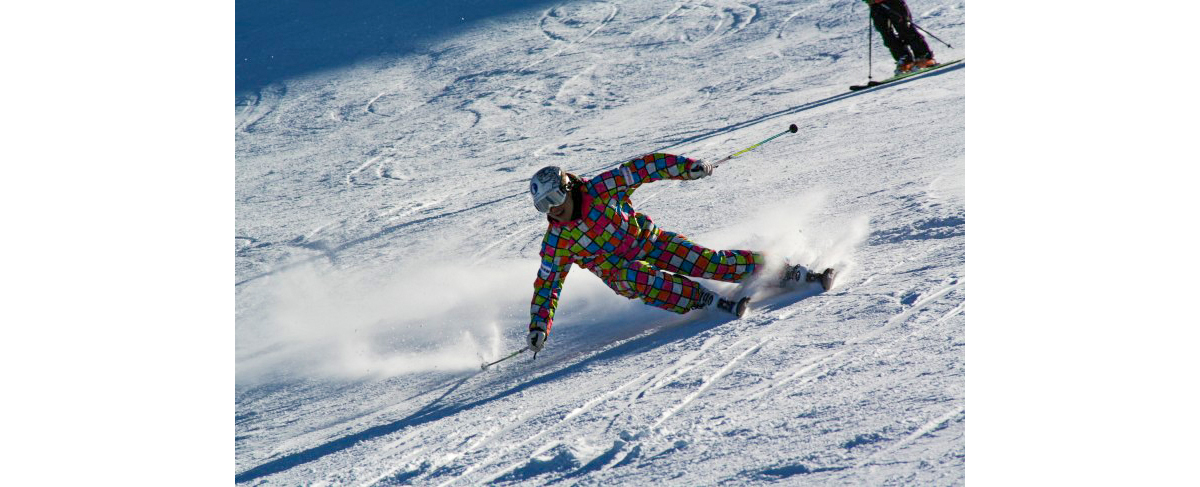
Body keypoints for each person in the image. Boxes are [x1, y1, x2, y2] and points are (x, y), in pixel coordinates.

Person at [524, 153, 834, 353]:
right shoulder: (557, 243)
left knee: (709, 262)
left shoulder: (603, 189)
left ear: (566, 188)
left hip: (649, 241)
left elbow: (644, 167)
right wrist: (539, 326)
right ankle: (703, 299)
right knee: (639, 276)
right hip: (621, 272)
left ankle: (785, 271)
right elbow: (547, 285)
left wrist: (689, 169)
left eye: (554, 199)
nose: (553, 210)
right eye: (543, 206)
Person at [865, 0, 936, 75]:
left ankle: (924, 57)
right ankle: (905, 60)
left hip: (893, 2)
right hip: (875, 5)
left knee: (905, 29)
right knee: (887, 35)